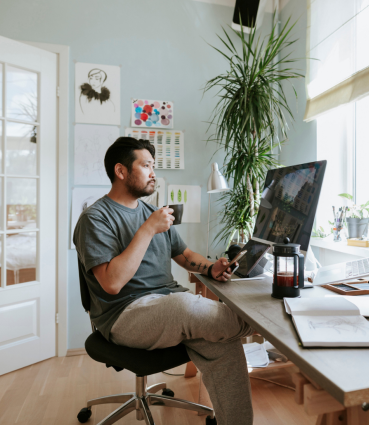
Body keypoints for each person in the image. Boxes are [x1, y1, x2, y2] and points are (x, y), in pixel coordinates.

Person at [73, 136, 254, 425]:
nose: (154, 173)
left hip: (168, 305)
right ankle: (263, 323)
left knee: (224, 345)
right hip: (124, 315)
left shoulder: (152, 213)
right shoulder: (95, 219)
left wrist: (212, 268)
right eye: (146, 165)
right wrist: (147, 229)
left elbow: (184, 255)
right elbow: (111, 283)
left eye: (154, 165)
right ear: (121, 171)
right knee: (186, 305)